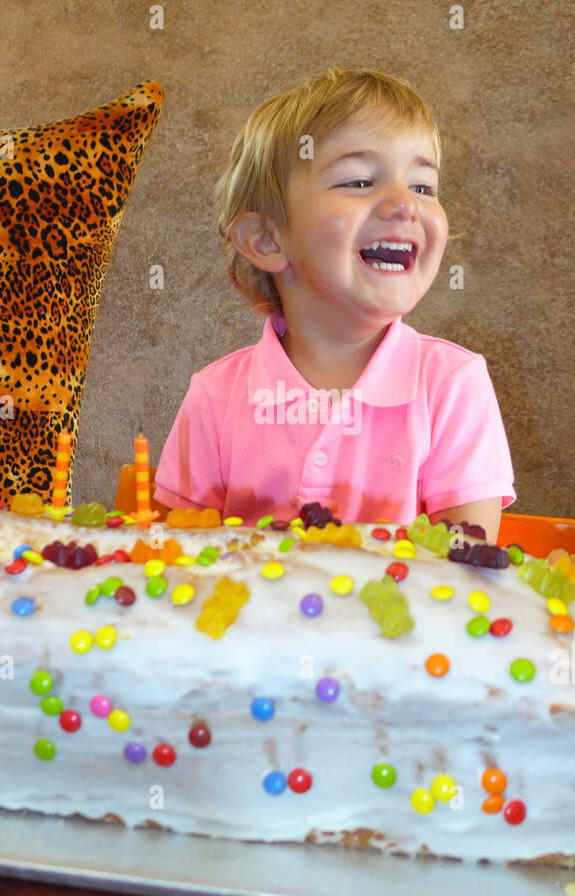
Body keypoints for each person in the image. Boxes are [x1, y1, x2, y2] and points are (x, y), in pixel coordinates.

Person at [155, 66, 515, 540]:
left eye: (423, 187)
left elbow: (467, 571)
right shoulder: (215, 397)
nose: (405, 204)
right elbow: (169, 563)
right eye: (360, 182)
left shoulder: (452, 385)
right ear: (266, 239)